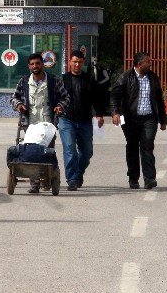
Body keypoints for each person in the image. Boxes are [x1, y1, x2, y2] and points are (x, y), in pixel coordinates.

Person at [11, 53, 70, 194]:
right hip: (29, 124)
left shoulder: (53, 80)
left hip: (48, 125)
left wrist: (60, 106)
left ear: (42, 64)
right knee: (31, 152)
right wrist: (19, 104)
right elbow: (14, 98)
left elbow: (66, 97)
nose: (35, 66)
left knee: (46, 152)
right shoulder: (24, 81)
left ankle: (47, 178)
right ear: (29, 66)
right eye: (32, 64)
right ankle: (34, 184)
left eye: (37, 63)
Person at [110, 51, 167, 190]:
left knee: (147, 146)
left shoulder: (153, 78)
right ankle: (133, 178)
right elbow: (114, 96)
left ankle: (149, 179)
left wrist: (163, 119)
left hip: (149, 118)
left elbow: (159, 99)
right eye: (148, 61)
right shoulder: (125, 77)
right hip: (129, 118)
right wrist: (115, 112)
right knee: (132, 147)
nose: (150, 63)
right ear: (140, 64)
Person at [59, 49, 108, 191]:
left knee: (87, 152)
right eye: (74, 62)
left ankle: (79, 173)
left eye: (80, 62)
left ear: (83, 63)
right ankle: (72, 179)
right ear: (69, 62)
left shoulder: (89, 80)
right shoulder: (62, 79)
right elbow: (56, 98)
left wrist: (99, 114)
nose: (77, 65)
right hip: (66, 120)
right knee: (70, 149)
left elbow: (97, 99)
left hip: (85, 120)